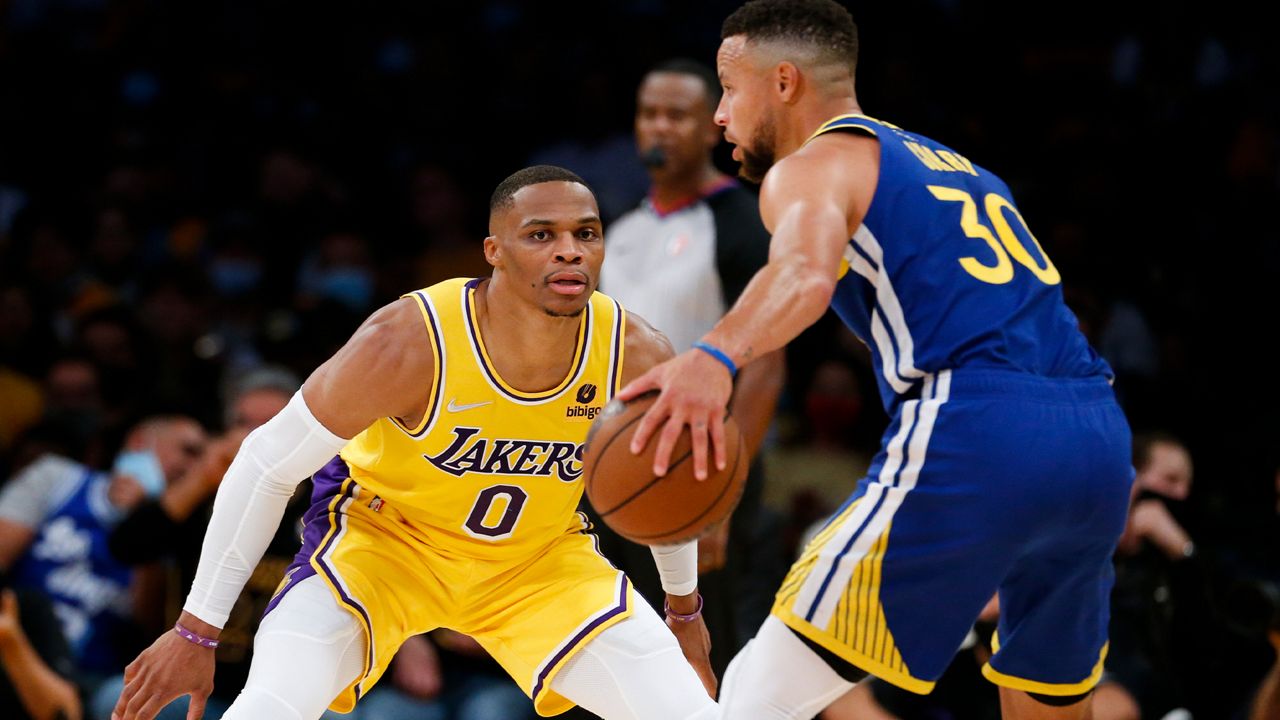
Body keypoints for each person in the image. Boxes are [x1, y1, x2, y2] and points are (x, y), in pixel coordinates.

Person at [620, 1, 1135, 718]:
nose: (719, 117)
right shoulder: (962, 170)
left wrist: (713, 356)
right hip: (1097, 442)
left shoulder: (810, 167)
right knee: (1046, 701)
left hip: (978, 428)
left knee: (751, 701)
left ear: (786, 82)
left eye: (729, 90)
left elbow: (803, 274)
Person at [112, 166, 719, 720]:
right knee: (270, 707)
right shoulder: (407, 341)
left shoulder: (636, 352)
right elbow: (265, 465)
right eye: (541, 235)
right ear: (494, 252)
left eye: (586, 233)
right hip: (381, 548)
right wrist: (196, 631)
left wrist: (684, 610)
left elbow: (666, 484)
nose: (569, 250)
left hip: (536, 562)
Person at [594, 56, 787, 678]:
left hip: (699, 467)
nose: (660, 127)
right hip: (610, 463)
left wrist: (722, 498)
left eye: (677, 115)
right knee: (615, 655)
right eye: (649, 114)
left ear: (712, 126)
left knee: (707, 658)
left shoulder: (742, 220)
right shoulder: (617, 231)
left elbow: (765, 363)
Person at [0, 415, 206, 691]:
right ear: (139, 442)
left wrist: (144, 523)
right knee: (32, 602)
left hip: (92, 678)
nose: (194, 467)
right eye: (189, 451)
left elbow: (148, 627)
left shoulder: (177, 536)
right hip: (14, 647)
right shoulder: (58, 478)